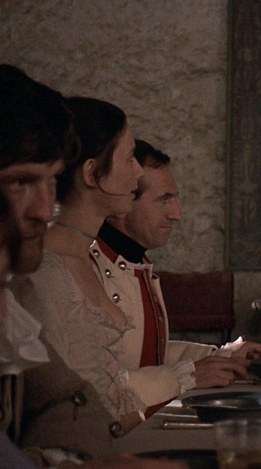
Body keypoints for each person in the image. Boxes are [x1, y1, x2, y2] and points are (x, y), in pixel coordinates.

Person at [0, 64, 183, 468]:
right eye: (20, 182)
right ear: (90, 174)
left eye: (51, 180)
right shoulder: (44, 274)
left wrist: (63, 458)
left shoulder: (68, 265)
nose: (44, 209)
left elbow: (66, 398)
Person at [92, 139, 261, 414]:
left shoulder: (132, 260)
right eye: (164, 200)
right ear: (123, 201)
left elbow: (143, 354)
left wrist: (221, 356)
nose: (177, 214)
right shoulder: (84, 265)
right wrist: (182, 378)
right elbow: (89, 388)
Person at [11, 95, 151, 430]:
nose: (139, 171)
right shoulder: (46, 272)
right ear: (91, 172)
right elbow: (67, 405)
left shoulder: (89, 256)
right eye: (129, 157)